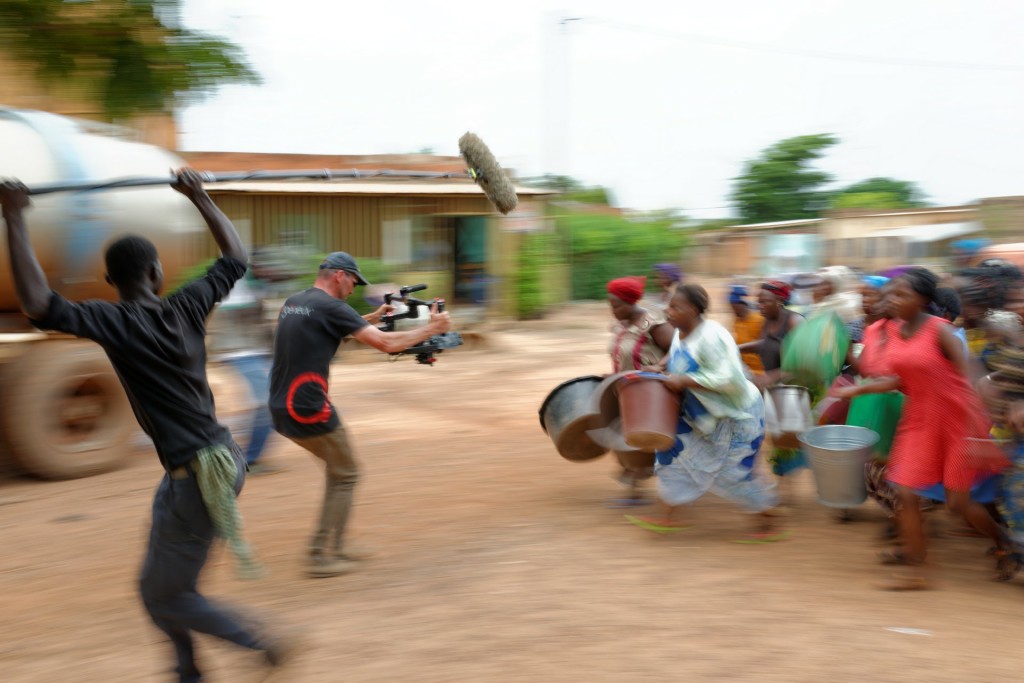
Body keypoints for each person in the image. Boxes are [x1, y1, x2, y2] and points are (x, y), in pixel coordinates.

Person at [0, 172, 294, 682]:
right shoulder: (186, 307)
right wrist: (199, 196)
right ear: (157, 272)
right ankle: (187, 670)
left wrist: (14, 215)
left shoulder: (113, 321)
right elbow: (236, 260)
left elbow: (38, 304)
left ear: (112, 282)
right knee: (156, 589)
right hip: (215, 462)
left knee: (170, 594)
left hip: (199, 476)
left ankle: (257, 641)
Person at [269, 251, 451, 578]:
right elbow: (384, 344)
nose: (354, 287)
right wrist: (430, 329)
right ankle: (321, 555)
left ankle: (335, 547)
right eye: (354, 280)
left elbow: (332, 328)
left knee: (339, 471)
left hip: (281, 406)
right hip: (308, 406)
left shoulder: (296, 302)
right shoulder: (332, 307)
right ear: (339, 275)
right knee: (347, 472)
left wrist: (372, 316)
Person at [833, 268, 1011, 590]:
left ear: (923, 300)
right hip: (919, 421)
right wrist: (856, 390)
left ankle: (1004, 542)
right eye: (892, 294)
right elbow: (901, 380)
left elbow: (970, 377)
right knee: (904, 491)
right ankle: (915, 566)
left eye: (902, 294)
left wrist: (977, 430)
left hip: (958, 422)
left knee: (959, 505)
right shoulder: (897, 334)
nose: (893, 300)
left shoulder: (940, 331)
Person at [625, 284, 781, 540]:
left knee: (735, 473)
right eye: (670, 305)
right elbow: (677, 355)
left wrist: (683, 381)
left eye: (676, 307)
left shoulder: (713, 336)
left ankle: (768, 520)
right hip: (703, 415)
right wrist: (660, 366)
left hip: (737, 416)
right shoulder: (680, 332)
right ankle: (668, 516)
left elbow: (729, 378)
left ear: (694, 310)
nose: (669, 310)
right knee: (672, 454)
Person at [605, 276, 675, 505]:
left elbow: (679, 349)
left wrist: (659, 366)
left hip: (650, 392)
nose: (612, 310)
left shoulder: (652, 323)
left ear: (629, 303)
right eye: (611, 305)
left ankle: (640, 484)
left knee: (644, 435)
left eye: (616, 305)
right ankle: (636, 482)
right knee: (620, 433)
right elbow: (620, 354)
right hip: (625, 389)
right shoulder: (621, 325)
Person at [207, 270, 277, 473]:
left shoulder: (249, 283)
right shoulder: (237, 282)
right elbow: (241, 309)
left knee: (274, 400)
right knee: (267, 403)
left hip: (254, 352)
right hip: (239, 352)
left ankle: (250, 456)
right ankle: (249, 460)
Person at [738, 280, 805, 477]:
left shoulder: (795, 322)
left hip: (795, 389)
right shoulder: (767, 322)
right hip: (775, 390)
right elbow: (767, 344)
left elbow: (805, 362)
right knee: (778, 440)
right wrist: (739, 348)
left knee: (790, 442)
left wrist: (773, 376)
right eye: (758, 302)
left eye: (764, 302)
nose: (760, 306)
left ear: (779, 300)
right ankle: (783, 489)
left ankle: (790, 494)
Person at [728, 285, 764, 374]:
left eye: (734, 307)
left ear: (742, 305)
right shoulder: (737, 321)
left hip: (760, 370)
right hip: (744, 368)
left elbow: (765, 344)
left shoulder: (759, 319)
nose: (733, 310)